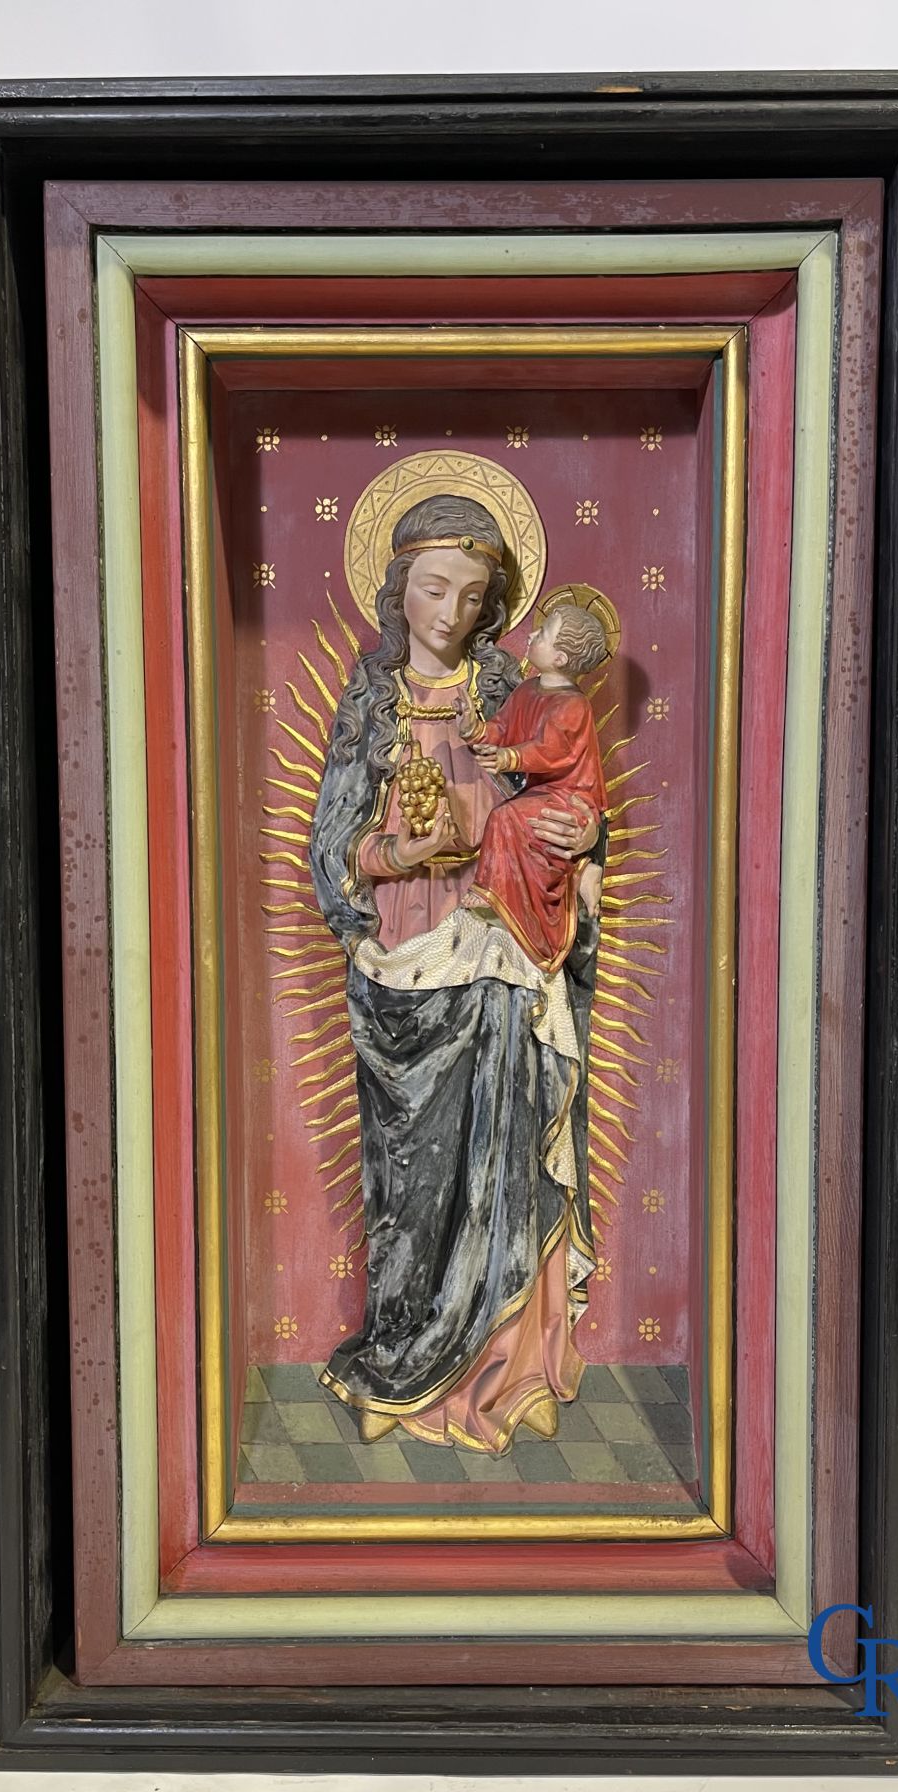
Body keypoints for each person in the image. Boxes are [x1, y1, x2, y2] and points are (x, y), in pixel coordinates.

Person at [308, 492, 604, 1453]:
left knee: (506, 1163)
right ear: (397, 590)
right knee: (419, 1179)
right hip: (407, 959)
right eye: (432, 588)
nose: (449, 611)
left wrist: (583, 829)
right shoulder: (371, 698)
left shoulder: (511, 693)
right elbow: (332, 849)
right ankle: (406, 1358)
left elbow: (562, 786)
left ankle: (508, 1372)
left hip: (502, 953)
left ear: (493, 605)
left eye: (472, 596)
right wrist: (401, 855)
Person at [457, 603, 608, 975]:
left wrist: (508, 759)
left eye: (543, 632)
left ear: (560, 656)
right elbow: (502, 727)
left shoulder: (573, 704)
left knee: (507, 818)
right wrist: (475, 730)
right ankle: (508, 900)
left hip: (570, 797)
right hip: (540, 794)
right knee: (510, 820)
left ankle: (505, 901)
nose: (533, 634)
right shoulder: (527, 690)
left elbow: (551, 751)